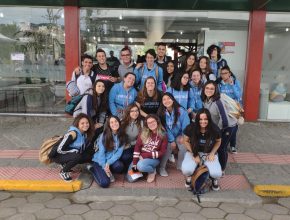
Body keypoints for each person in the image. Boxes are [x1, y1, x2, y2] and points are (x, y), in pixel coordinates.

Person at [201, 80, 238, 174]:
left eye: (212, 89)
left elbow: (224, 120)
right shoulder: (206, 99)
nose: (209, 90)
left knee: (222, 147)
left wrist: (217, 132)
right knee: (217, 146)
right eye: (207, 88)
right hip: (218, 126)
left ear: (215, 90)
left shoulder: (218, 101)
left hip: (227, 127)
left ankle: (222, 169)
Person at [182, 108, 222, 191]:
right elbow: (185, 141)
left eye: (205, 119)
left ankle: (213, 178)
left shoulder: (215, 129)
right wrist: (194, 154)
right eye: (200, 119)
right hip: (194, 151)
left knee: (217, 173)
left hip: (208, 153)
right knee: (186, 170)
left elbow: (218, 141)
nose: (203, 122)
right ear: (197, 119)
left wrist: (212, 153)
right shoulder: (191, 127)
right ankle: (190, 176)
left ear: (209, 119)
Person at [50, 113, 95, 181]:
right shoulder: (73, 134)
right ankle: (63, 171)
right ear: (77, 124)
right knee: (77, 156)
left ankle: (65, 164)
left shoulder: (83, 134)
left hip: (67, 154)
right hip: (57, 155)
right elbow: (59, 149)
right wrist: (74, 151)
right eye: (82, 123)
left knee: (89, 155)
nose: (85, 125)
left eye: (87, 123)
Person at [157, 92, 190, 176]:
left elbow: (186, 126)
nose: (166, 101)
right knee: (168, 145)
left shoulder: (181, 111)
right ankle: (162, 167)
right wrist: (171, 140)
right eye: (164, 99)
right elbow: (165, 128)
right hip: (168, 135)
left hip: (180, 134)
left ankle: (180, 165)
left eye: (168, 98)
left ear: (173, 100)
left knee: (183, 144)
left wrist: (183, 136)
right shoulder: (162, 113)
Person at [130, 114, 168, 183]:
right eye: (149, 123)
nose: (151, 124)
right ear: (146, 125)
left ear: (157, 121)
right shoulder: (143, 133)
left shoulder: (163, 134)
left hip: (154, 159)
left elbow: (162, 152)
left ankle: (152, 171)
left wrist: (145, 155)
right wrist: (134, 163)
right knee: (131, 179)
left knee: (140, 166)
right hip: (140, 158)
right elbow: (137, 148)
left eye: (153, 121)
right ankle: (144, 169)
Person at [91, 116, 126, 188]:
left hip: (110, 160)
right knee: (105, 183)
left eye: (116, 121)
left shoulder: (122, 135)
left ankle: (108, 171)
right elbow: (101, 153)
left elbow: (118, 154)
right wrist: (105, 167)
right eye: (111, 122)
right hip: (99, 161)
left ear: (119, 122)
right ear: (109, 125)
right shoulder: (104, 135)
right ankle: (92, 169)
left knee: (119, 166)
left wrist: (108, 163)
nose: (114, 124)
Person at [217, 66, 242, 153]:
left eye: (225, 73)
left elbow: (238, 96)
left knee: (234, 127)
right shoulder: (219, 84)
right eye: (222, 73)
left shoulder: (235, 82)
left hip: (234, 108)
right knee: (224, 126)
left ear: (229, 73)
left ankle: (233, 145)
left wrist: (232, 86)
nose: (223, 75)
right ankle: (223, 144)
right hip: (224, 108)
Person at [120, 104, 143, 170]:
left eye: (136, 111)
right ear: (128, 112)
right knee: (125, 157)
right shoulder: (122, 122)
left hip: (137, 146)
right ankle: (129, 169)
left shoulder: (141, 123)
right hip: (125, 147)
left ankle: (134, 171)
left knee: (135, 156)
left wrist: (130, 144)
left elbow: (142, 139)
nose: (135, 113)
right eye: (132, 111)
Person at [86, 80, 108, 144]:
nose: (101, 88)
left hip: (92, 118)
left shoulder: (102, 97)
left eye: (103, 86)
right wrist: (92, 126)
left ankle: (93, 146)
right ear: (94, 87)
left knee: (100, 129)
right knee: (89, 133)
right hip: (83, 118)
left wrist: (101, 123)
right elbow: (86, 113)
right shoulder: (89, 96)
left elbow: (103, 111)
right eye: (99, 86)